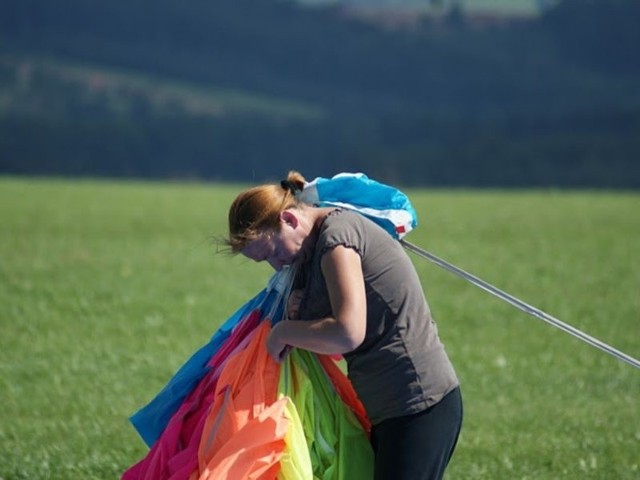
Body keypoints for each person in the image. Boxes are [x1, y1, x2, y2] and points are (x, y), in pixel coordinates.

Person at [225, 171, 462, 480]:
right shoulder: (315, 247)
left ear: (290, 220)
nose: (278, 265)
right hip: (393, 408)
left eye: (274, 252)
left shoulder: (338, 238)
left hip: (418, 404)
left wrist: (284, 332)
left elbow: (347, 332)